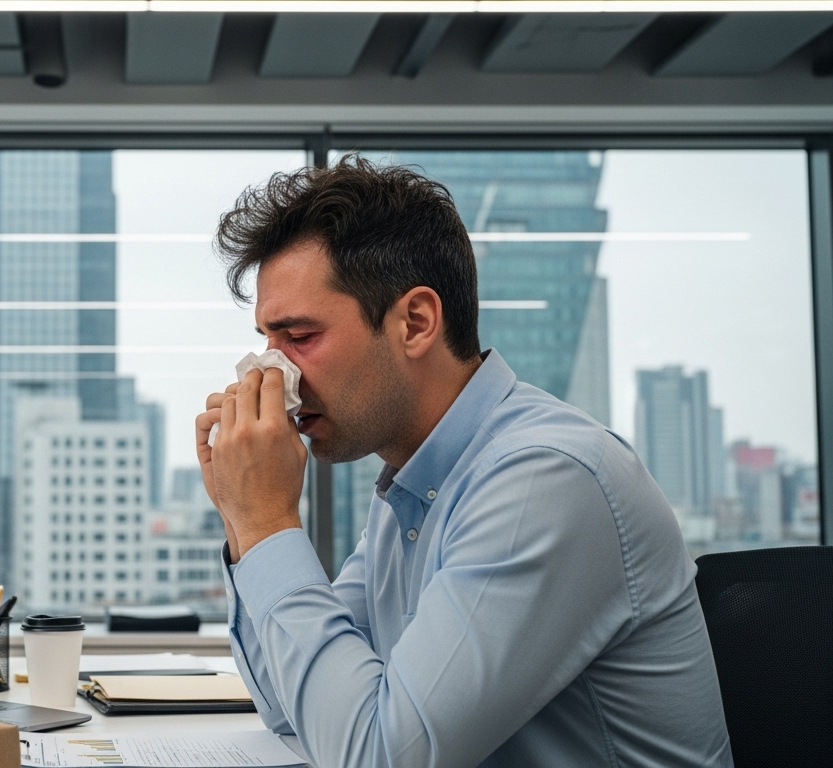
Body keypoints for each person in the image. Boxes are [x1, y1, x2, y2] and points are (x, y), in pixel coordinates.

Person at [196, 156, 732, 768]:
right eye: (267, 343)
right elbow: (290, 706)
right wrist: (241, 520)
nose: (272, 377)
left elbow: (378, 756)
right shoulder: (412, 490)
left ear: (416, 323)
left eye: (299, 338)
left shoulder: (543, 480)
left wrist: (268, 522)